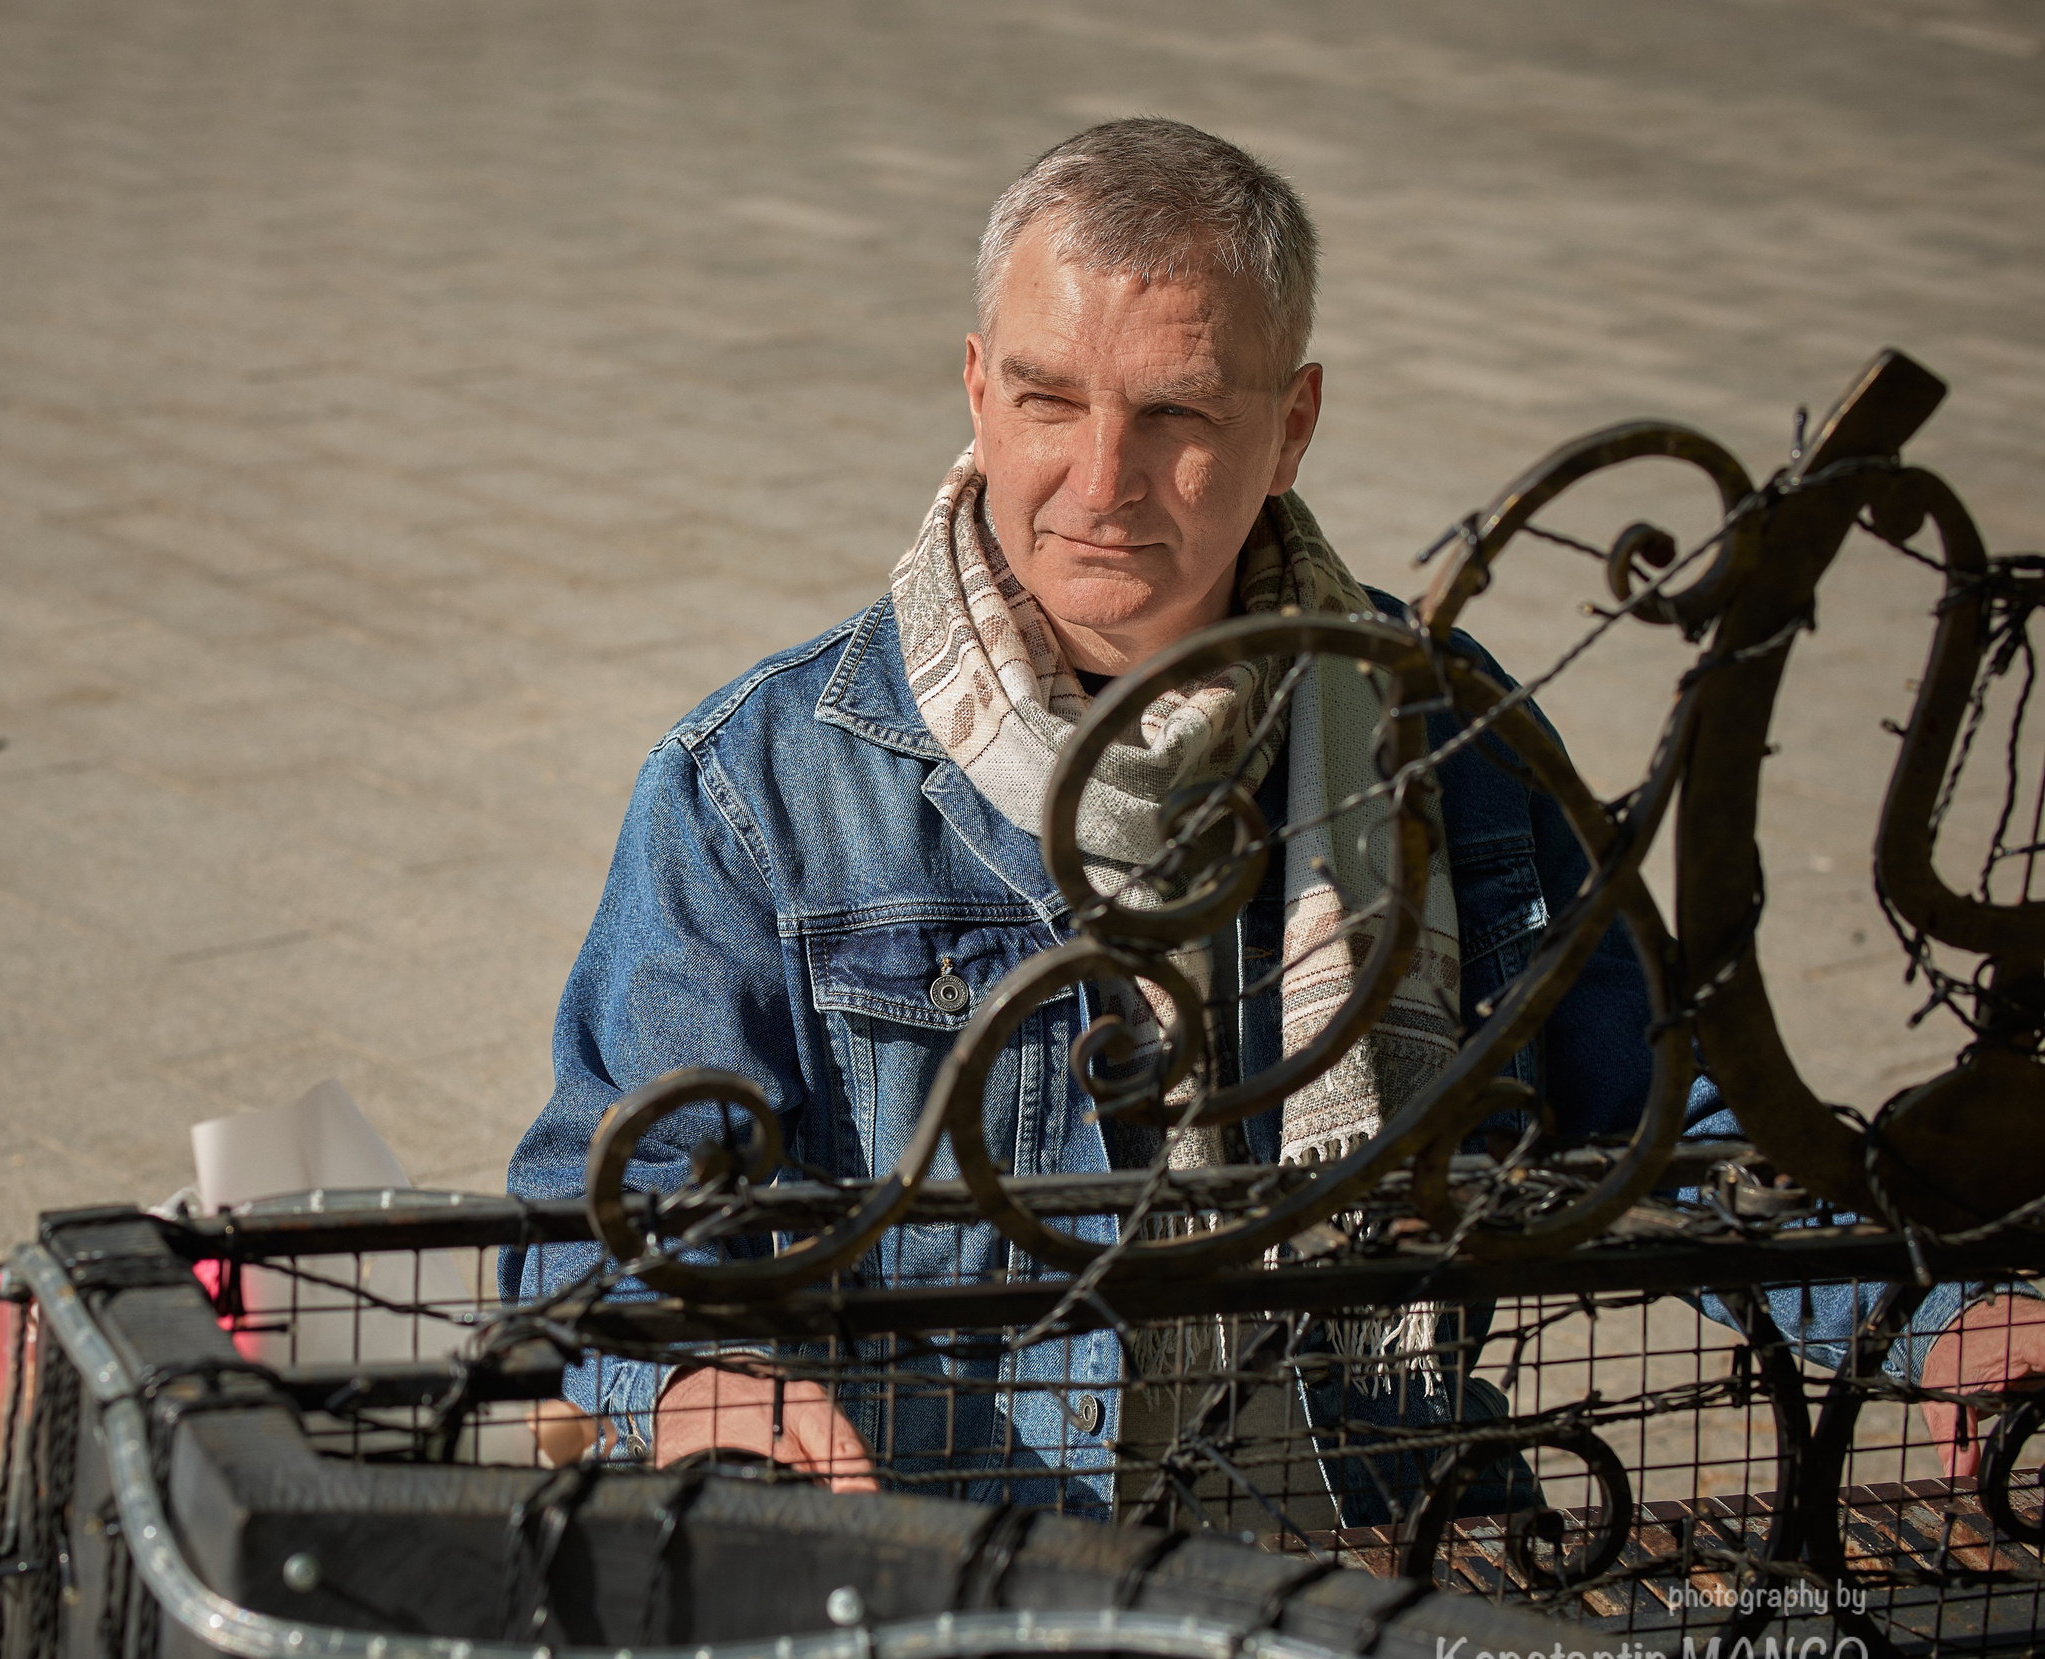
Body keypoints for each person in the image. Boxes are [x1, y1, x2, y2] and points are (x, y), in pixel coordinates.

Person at [502, 119, 2040, 1512]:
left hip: (1371, 1562)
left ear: (1292, 424)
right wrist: (695, 1375)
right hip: (951, 1595)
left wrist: (1940, 1317)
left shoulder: (1448, 734)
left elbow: (1673, 1119)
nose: (1102, 482)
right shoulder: (761, 783)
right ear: (978, 388)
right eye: (1049, 401)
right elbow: (605, 1203)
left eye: (1176, 414)